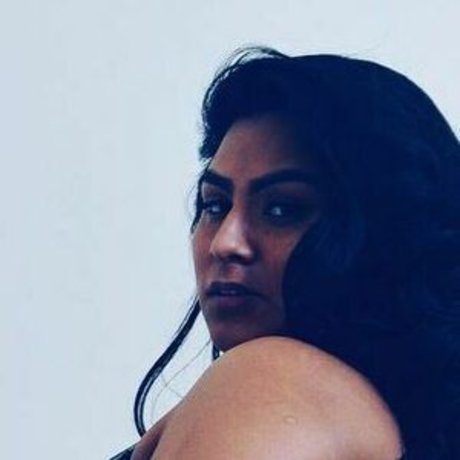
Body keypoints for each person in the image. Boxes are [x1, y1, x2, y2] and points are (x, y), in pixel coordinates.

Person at [111, 47, 460, 459]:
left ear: (387, 232)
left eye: (282, 210)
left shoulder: (272, 378)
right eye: (215, 205)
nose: (225, 243)